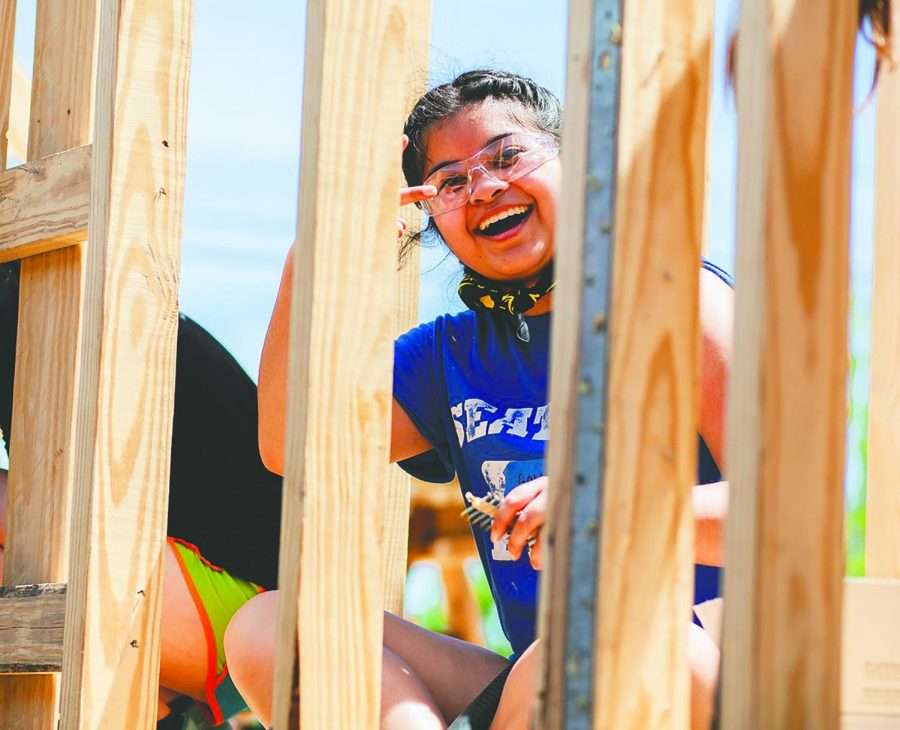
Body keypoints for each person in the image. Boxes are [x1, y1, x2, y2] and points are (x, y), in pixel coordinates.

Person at [224, 70, 732, 730]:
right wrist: (321, 242)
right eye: (451, 181)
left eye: (507, 155)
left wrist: (609, 514)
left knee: (618, 644)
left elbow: (785, 511)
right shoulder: (447, 356)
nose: (485, 188)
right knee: (274, 626)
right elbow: (289, 444)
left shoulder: (674, 300)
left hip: (697, 673)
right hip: (537, 684)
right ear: (427, 215)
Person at [0, 261, 282, 729]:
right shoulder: (60, 289)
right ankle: (158, 709)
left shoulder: (31, 305)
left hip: (242, 610)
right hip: (233, 615)